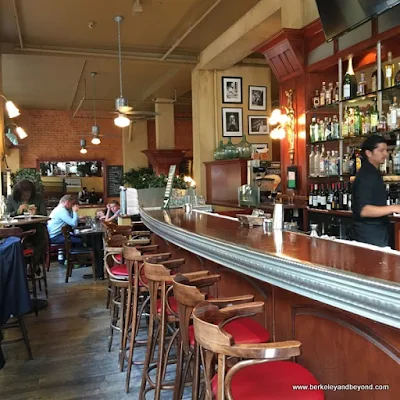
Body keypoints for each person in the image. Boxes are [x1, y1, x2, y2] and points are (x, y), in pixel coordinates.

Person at [351, 135, 400, 247]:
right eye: (381, 150)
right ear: (369, 153)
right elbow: (364, 210)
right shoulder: (367, 175)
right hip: (369, 233)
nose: (385, 154)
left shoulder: (372, 172)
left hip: (375, 230)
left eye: (386, 150)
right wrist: (394, 208)